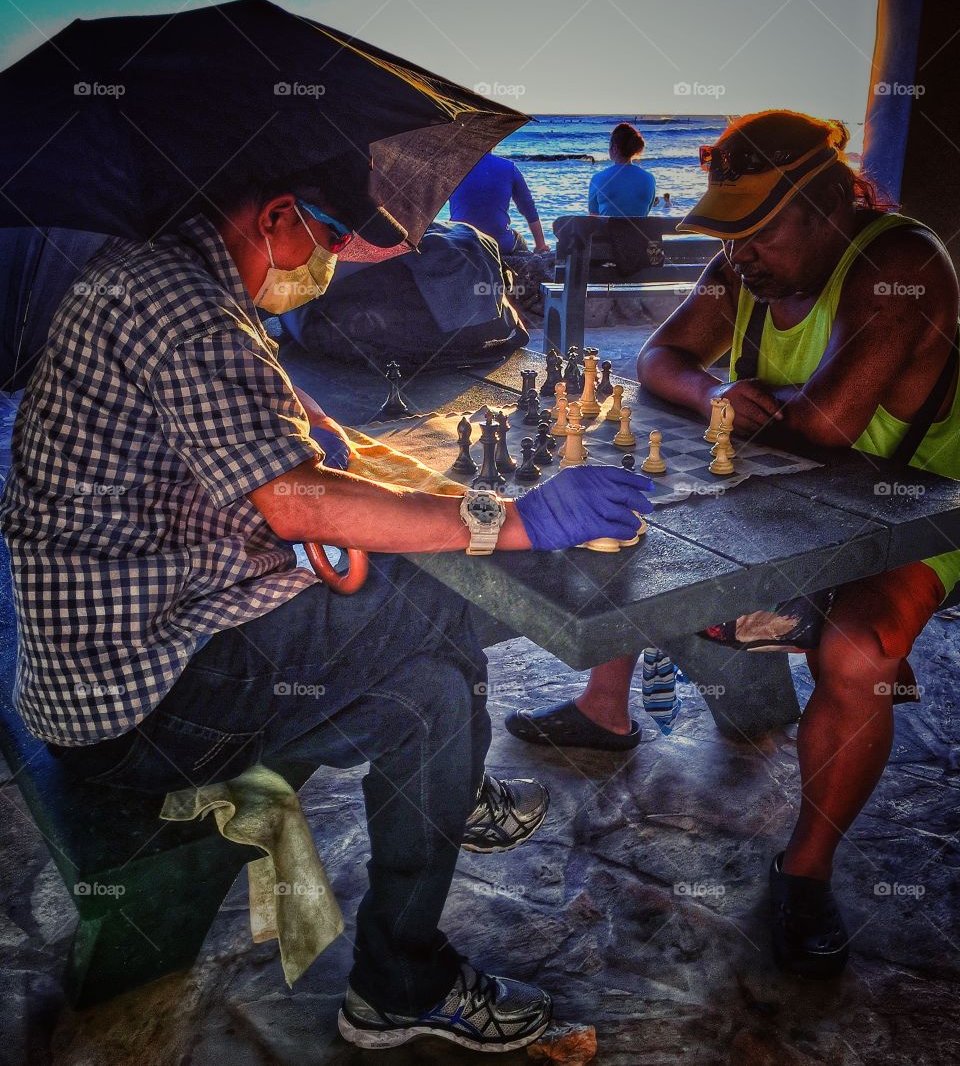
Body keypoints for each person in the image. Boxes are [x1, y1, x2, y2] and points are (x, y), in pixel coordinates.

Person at [0, 171, 655, 1052]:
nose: (336, 260)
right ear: (275, 215)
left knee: (429, 696)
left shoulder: (160, 277)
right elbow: (303, 503)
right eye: (331, 237)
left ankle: (399, 978)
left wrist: (327, 440)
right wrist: (520, 517)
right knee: (430, 594)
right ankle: (440, 837)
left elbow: (252, 415)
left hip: (115, 661)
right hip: (139, 702)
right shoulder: (182, 306)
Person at [507, 109, 960, 981]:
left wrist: (738, 400)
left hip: (915, 504)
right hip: (799, 486)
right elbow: (658, 358)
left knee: (863, 650)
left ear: (830, 203)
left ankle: (805, 871)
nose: (740, 253)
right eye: (732, 232)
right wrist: (717, 384)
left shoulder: (898, 264)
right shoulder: (746, 264)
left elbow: (829, 425)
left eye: (758, 229)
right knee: (631, 512)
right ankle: (605, 709)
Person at [449, 151, 551, 255]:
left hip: (459, 241)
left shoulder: (452, 168)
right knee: (520, 241)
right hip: (498, 243)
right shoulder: (509, 168)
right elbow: (529, 208)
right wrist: (540, 245)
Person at [588, 123, 657, 218]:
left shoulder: (598, 179)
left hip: (607, 233)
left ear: (615, 148)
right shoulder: (649, 179)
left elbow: (593, 218)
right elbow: (644, 214)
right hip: (639, 233)